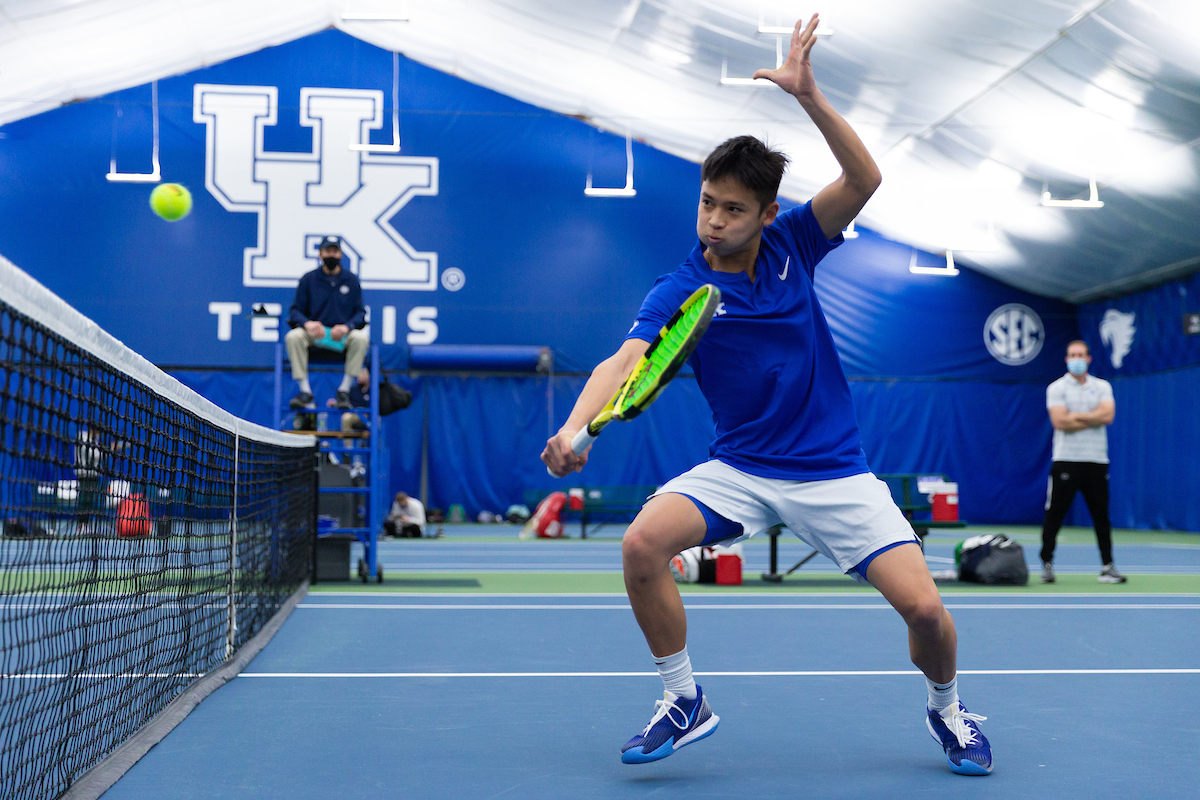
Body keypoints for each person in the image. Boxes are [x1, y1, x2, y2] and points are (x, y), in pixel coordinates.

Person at [542, 15, 991, 776]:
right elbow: (625, 360)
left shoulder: (794, 246)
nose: (714, 220)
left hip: (835, 472)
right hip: (742, 468)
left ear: (766, 215)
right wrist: (575, 426)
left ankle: (949, 709)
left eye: (733, 209)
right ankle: (683, 698)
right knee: (642, 544)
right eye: (707, 203)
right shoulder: (684, 285)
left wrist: (810, 97)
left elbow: (865, 181)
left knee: (927, 613)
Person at [1039, 340, 1124, 584]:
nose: (1076, 358)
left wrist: (1075, 415)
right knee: (1055, 513)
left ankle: (1108, 565)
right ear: (1067, 359)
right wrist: (1092, 418)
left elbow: (1108, 415)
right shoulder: (1057, 388)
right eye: (1072, 355)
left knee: (1101, 515)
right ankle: (1047, 563)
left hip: (1096, 460)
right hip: (1066, 460)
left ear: (1089, 358)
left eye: (1081, 354)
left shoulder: (1102, 386)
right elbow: (1059, 422)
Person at [285, 236, 369, 411]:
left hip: (341, 337)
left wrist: (347, 326)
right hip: (315, 336)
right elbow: (295, 311)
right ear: (320, 254)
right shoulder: (308, 279)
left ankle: (343, 391)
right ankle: (305, 393)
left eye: (335, 251)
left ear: (340, 254)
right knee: (293, 337)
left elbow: (361, 313)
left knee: (361, 338)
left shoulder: (351, 280)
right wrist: (308, 324)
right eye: (328, 251)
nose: (332, 254)